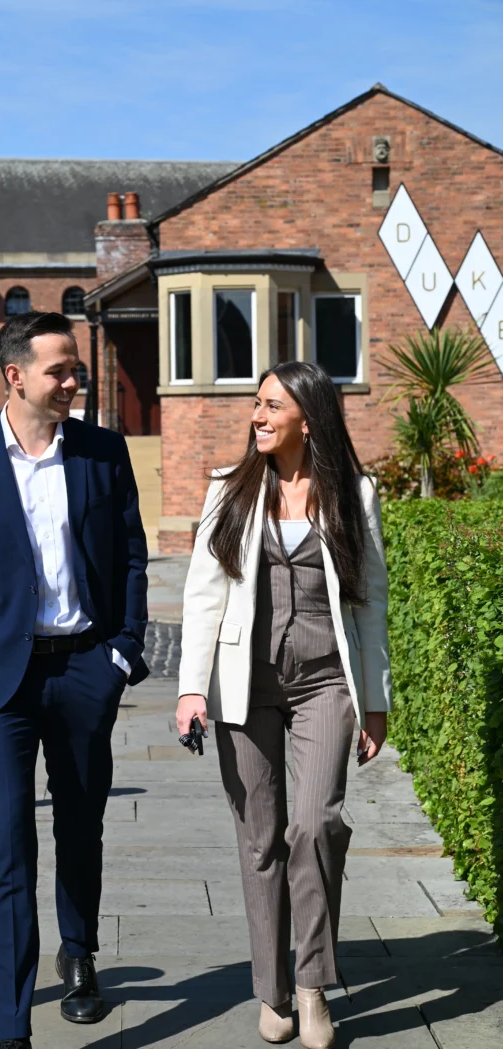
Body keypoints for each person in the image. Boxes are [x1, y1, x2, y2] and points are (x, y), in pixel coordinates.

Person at [0, 311, 148, 1049]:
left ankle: (78, 954)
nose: (74, 380)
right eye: (60, 369)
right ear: (15, 375)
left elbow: (131, 558)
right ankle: (14, 1028)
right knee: (8, 850)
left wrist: (121, 652)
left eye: (76, 367)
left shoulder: (102, 452)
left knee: (81, 825)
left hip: (84, 668)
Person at [176, 362, 392, 1049]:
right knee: (259, 838)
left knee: (316, 823)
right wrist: (190, 686)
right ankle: (271, 989)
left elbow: (371, 601)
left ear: (309, 415)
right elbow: (203, 594)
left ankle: (312, 982)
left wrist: (377, 698)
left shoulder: (354, 494)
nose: (258, 416)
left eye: (272, 405)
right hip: (246, 685)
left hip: (327, 680)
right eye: (257, 404)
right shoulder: (229, 490)